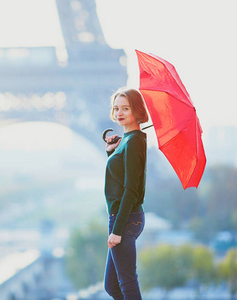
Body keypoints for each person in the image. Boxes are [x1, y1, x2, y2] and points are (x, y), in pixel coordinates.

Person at [103, 87, 149, 300]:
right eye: (116, 108)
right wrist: (111, 153)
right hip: (124, 218)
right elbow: (118, 179)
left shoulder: (134, 141)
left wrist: (117, 230)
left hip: (125, 220)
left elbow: (131, 189)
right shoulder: (128, 140)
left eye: (125, 108)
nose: (119, 113)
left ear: (137, 111)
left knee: (127, 286)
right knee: (112, 286)